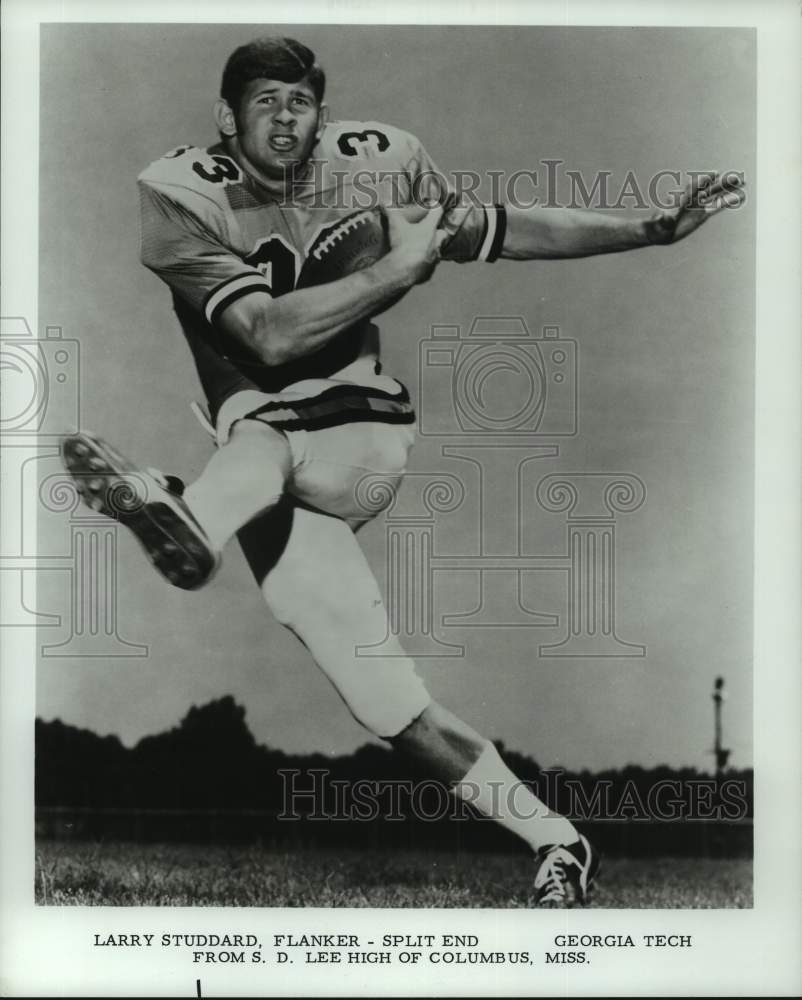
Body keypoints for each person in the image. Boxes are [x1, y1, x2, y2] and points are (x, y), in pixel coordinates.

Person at [61, 36, 743, 907]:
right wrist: (398, 266)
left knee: (264, 436)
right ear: (226, 117)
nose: (285, 117)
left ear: (323, 112)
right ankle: (560, 842)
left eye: (300, 101)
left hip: (358, 440)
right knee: (387, 704)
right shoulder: (180, 193)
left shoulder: (375, 165)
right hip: (267, 469)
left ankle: (188, 513)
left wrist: (648, 230)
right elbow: (266, 335)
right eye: (265, 101)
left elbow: (503, 228)